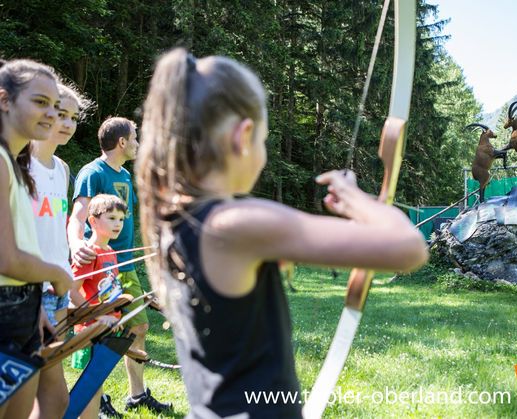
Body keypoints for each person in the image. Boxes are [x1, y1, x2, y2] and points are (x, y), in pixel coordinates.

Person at [136, 48, 428, 418]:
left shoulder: (173, 219)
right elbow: (408, 247)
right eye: (264, 139)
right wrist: (356, 200)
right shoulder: (236, 224)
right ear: (243, 136)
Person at [67, 116, 171, 415]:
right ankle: (94, 398)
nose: (138, 143)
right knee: (96, 331)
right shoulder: (92, 172)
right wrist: (77, 246)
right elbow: (78, 216)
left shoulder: (124, 175)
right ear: (122, 142)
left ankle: (137, 395)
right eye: (135, 138)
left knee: (138, 325)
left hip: (124, 265)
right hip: (98, 267)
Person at [0, 59, 73, 419]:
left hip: (24, 308)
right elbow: (6, 258)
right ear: (4, 100)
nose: (51, 114)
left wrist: (35, 309)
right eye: (40, 102)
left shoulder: (13, 163)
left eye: (55, 106)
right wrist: (58, 275)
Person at [28, 82, 91, 419]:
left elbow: (57, 230)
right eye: (60, 114)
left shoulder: (64, 169)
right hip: (24, 292)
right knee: (25, 393)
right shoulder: (17, 166)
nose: (67, 123)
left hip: (58, 292)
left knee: (54, 398)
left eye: (73, 117)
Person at [69, 194, 127, 419]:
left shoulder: (111, 252)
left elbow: (110, 290)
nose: (118, 224)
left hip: (107, 326)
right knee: (88, 388)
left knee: (97, 383)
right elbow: (72, 290)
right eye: (112, 218)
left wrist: (115, 314)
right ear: (92, 221)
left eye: (121, 219)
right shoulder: (88, 253)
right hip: (89, 329)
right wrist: (97, 316)